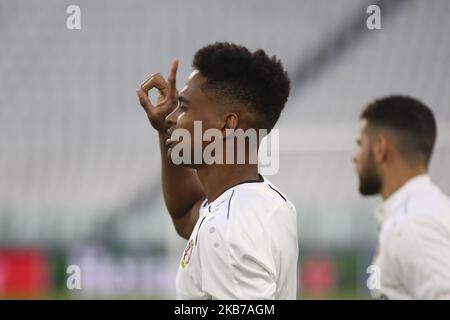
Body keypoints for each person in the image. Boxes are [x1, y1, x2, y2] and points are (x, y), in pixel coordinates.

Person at [136, 42, 298, 299]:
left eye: (184, 107)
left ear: (226, 125)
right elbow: (184, 215)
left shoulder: (227, 229)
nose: (172, 118)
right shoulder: (266, 201)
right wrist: (163, 130)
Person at [353, 95, 450, 299]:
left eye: (360, 144)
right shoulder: (429, 208)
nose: (355, 156)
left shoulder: (411, 224)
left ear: (381, 148)